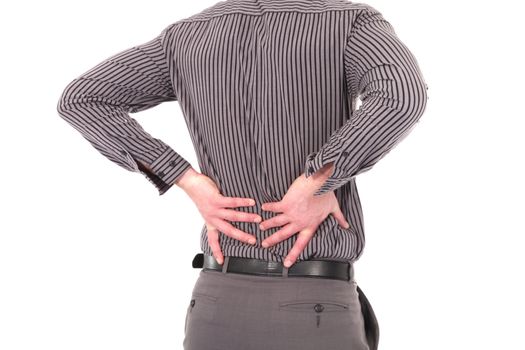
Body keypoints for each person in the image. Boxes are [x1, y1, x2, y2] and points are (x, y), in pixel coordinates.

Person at [57, 0, 429, 349]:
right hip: (314, 305)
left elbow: (82, 98)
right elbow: (401, 96)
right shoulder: (349, 24)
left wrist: (185, 179)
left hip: (215, 303)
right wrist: (317, 181)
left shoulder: (185, 37)